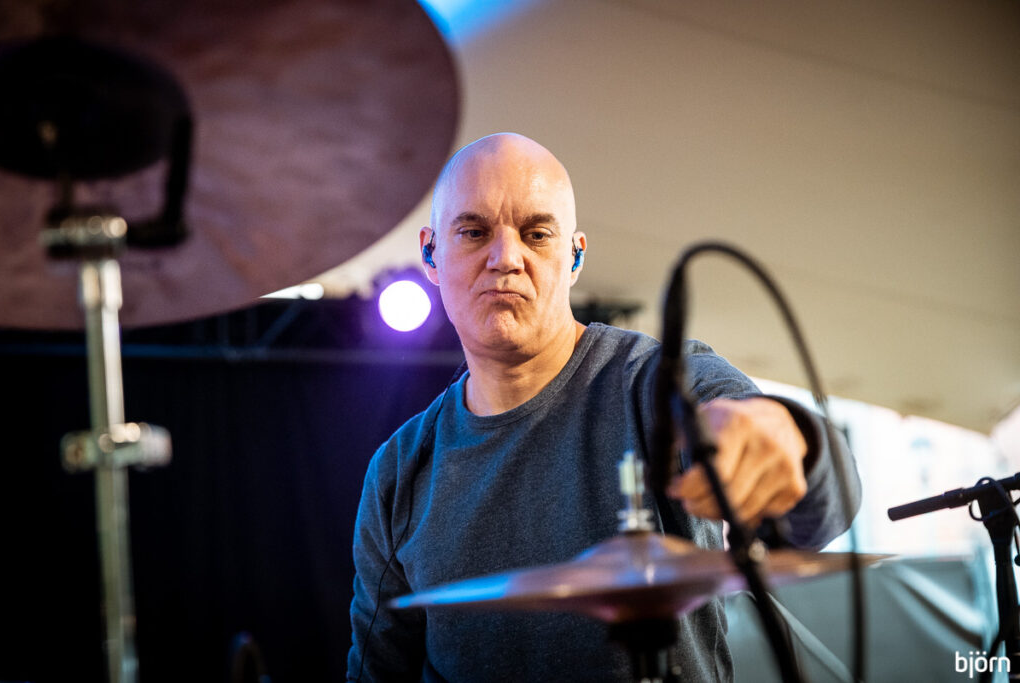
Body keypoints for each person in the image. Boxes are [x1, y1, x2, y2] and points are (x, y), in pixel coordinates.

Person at [347, 133, 861, 682]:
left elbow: (826, 507)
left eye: (536, 234)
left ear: (575, 256)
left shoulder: (660, 384)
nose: (506, 259)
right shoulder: (399, 470)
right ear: (430, 252)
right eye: (474, 232)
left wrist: (792, 437)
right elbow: (378, 671)